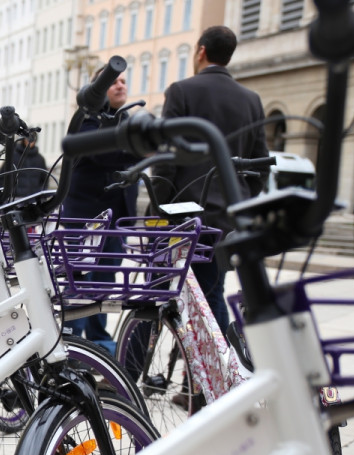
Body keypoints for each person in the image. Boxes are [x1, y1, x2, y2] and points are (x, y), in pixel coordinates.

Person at [156, 25, 269, 334]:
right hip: (228, 219)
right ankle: (207, 372)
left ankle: (134, 372)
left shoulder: (181, 91)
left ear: (201, 51)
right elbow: (261, 165)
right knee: (211, 292)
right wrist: (240, 200)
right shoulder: (251, 99)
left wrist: (160, 209)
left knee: (158, 293)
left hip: (186, 216)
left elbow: (167, 159)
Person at [61, 67, 138, 355]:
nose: (120, 86)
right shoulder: (87, 117)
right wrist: (140, 149)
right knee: (78, 278)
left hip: (117, 215)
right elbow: (103, 153)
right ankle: (71, 340)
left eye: (123, 81)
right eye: (113, 82)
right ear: (99, 87)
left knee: (106, 277)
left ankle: (98, 341)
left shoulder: (126, 119)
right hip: (85, 215)